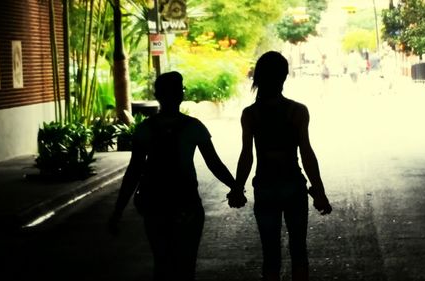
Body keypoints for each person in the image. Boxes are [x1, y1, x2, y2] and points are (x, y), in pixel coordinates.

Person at [108, 71, 247, 281]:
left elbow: (134, 171)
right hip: (187, 204)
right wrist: (235, 187)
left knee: (162, 263)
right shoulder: (194, 127)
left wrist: (118, 211)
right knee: (186, 265)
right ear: (181, 95)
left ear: (157, 95)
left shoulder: (145, 130)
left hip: (155, 204)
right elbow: (214, 163)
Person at [235, 51, 332, 281]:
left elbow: (246, 156)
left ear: (258, 78)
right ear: (284, 77)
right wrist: (319, 191)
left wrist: (238, 188)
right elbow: (306, 153)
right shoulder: (297, 111)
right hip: (293, 186)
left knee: (270, 255)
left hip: (265, 188)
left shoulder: (251, 114)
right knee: (298, 251)